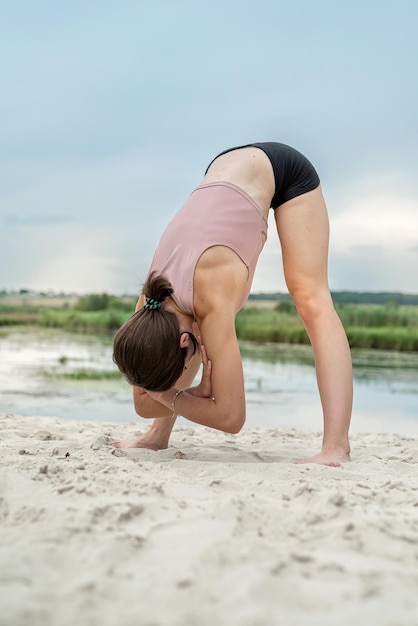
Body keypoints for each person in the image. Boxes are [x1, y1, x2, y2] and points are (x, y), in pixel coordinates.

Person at [112, 142, 353, 466]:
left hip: (283, 171)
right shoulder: (148, 308)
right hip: (224, 169)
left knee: (311, 298)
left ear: (187, 342)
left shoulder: (210, 298)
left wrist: (176, 396)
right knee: (181, 325)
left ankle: (336, 446)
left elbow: (230, 416)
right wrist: (185, 396)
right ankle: (158, 435)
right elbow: (143, 404)